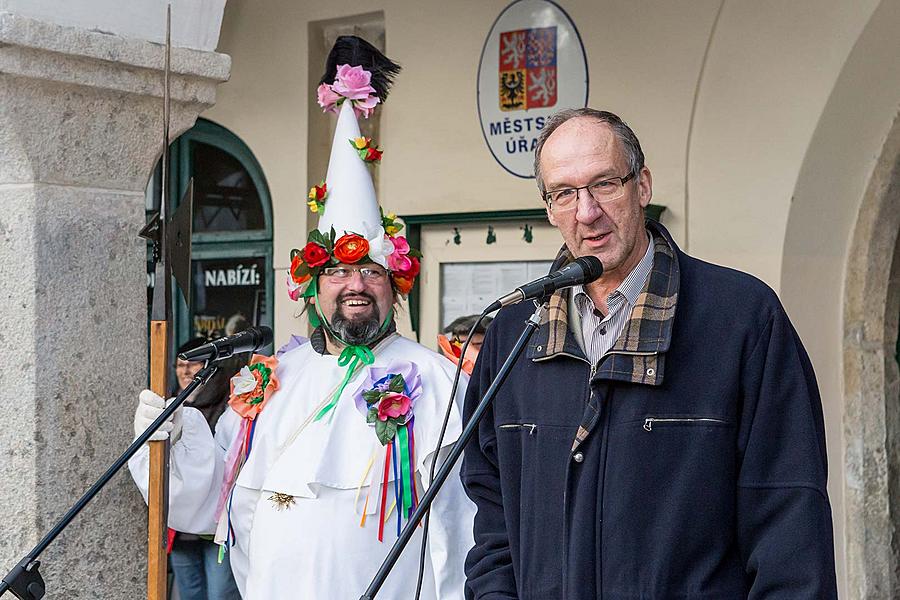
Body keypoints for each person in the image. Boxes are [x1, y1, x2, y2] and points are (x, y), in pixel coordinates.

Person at [130, 36, 474, 600]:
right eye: (338, 271)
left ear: (396, 285)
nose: (356, 286)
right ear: (312, 288)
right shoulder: (269, 381)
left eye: (371, 271)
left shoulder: (437, 382)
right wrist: (173, 437)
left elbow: (461, 532)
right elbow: (210, 503)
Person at [461, 108, 837, 598]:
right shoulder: (516, 333)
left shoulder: (742, 318)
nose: (587, 211)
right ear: (549, 208)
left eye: (605, 184)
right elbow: (493, 517)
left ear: (642, 186)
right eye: (565, 193)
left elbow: (791, 521)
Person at [163, 338, 243, 600]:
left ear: (210, 367)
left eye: (193, 364)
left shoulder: (229, 405)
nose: (185, 371)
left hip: (215, 524)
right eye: (180, 365)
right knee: (189, 594)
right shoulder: (171, 406)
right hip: (181, 528)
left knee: (221, 594)